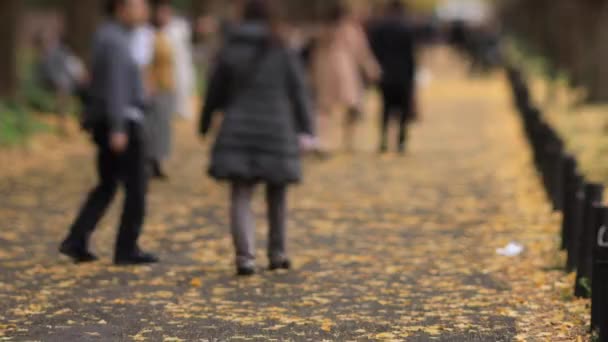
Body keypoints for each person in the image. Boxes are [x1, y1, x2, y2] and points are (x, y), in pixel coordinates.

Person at [199, 0, 314, 276]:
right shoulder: (283, 47)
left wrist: (204, 122)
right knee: (277, 192)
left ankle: (245, 257)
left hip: (238, 128)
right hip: (277, 129)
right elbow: (298, 91)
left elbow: (215, 91)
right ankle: (278, 253)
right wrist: (307, 129)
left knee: (241, 193)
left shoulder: (230, 48)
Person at [59, 0, 158, 265]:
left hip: (112, 119)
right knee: (136, 186)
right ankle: (127, 248)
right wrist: (118, 128)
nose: (144, 11)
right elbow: (114, 86)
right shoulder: (115, 41)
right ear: (121, 8)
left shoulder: (111, 35)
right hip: (122, 121)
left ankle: (76, 239)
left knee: (107, 184)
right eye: (139, 6)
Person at [310, 4, 380, 153]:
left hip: (326, 72)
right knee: (351, 105)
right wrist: (371, 68)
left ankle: (322, 140)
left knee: (324, 107)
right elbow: (362, 52)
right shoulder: (351, 30)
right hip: (344, 72)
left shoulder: (323, 32)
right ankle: (347, 141)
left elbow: (315, 56)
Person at [369, 0, 417, 154]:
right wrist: (412, 76)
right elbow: (411, 55)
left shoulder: (378, 29)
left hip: (385, 74)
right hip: (403, 74)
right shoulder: (406, 29)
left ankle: (383, 140)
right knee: (403, 108)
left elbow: (374, 52)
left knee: (385, 107)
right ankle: (400, 141)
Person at [144, 0, 176, 179]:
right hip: (155, 87)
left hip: (167, 86)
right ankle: (149, 161)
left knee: (163, 128)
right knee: (153, 127)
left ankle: (157, 161)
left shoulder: (166, 35)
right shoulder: (149, 36)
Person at [166, 14, 196, 120]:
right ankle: (177, 109)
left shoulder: (179, 28)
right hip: (175, 63)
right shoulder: (170, 30)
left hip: (183, 62)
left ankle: (183, 109)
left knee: (184, 84)